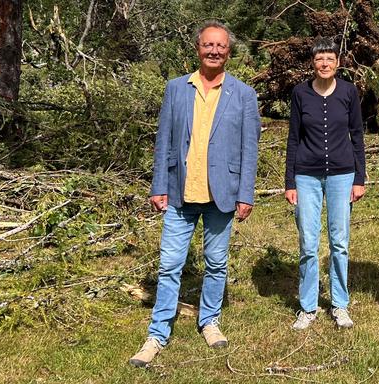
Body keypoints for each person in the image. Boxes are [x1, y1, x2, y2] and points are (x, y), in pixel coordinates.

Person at [129, 20, 260, 368]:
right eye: (208, 45)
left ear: (228, 52)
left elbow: (250, 149)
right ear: (198, 48)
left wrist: (246, 193)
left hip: (223, 195)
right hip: (179, 194)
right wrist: (158, 186)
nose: (214, 51)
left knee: (216, 263)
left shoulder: (244, 94)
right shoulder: (176, 89)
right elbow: (164, 143)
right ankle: (157, 334)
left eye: (220, 46)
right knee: (170, 264)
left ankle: (209, 320)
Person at [284, 37, 366, 330]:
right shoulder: (300, 93)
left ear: (338, 63)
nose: (324, 64)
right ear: (313, 62)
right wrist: (289, 181)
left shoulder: (347, 92)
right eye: (319, 59)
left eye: (330, 59)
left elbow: (357, 136)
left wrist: (360, 178)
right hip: (306, 175)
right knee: (308, 242)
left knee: (339, 242)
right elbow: (293, 138)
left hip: (342, 176)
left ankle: (340, 304)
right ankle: (307, 307)